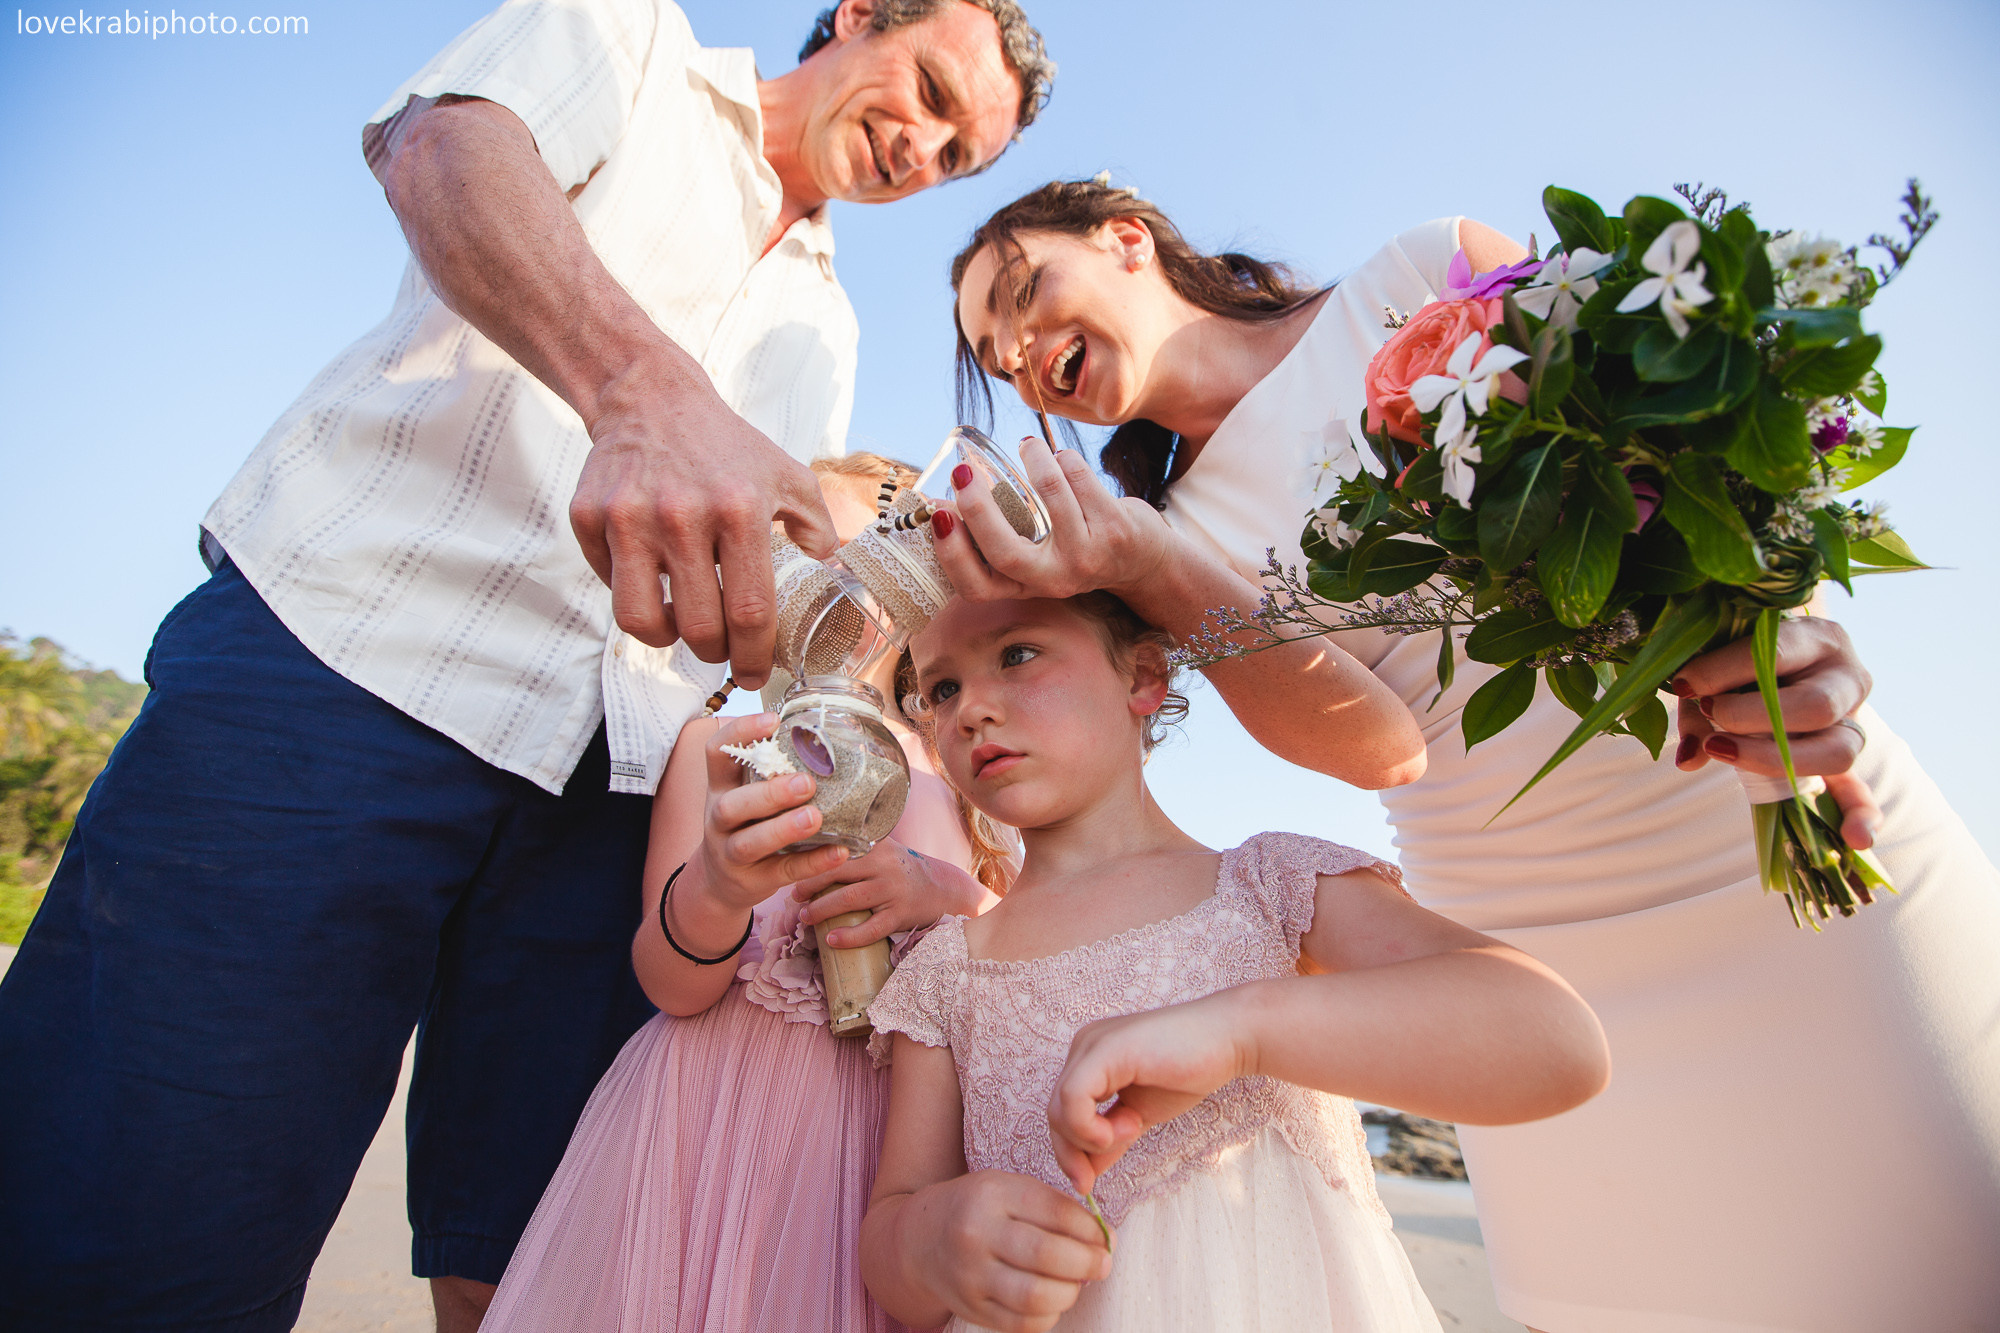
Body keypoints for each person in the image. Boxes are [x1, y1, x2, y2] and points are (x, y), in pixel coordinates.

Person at [0, 4, 1054, 1330]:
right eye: (932, 91)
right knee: (147, 1219)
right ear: (859, 17)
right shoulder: (627, 40)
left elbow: (751, 592)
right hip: (354, 672)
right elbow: (439, 152)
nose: (929, 147)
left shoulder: (826, 329)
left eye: (962, 153)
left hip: (607, 797)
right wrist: (640, 387)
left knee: (537, 1267)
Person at [933, 177, 2000, 1331]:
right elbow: (1379, 750)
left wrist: (1778, 624)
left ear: (1126, 235)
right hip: (1523, 942)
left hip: (1762, 824)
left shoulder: (1416, 274)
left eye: (1025, 293)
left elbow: (1673, 479)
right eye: (996, 356)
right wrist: (1148, 567)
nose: (1023, 351)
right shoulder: (1155, 547)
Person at [856, 589, 1611, 1332]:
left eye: (1017, 654)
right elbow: (890, 1234)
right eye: (941, 688)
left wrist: (1241, 1031)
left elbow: (1560, 1041)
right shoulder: (946, 971)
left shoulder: (1268, 887)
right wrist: (933, 1238)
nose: (970, 709)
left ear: (1144, 675)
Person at [481, 454, 1011, 1332]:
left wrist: (943, 890)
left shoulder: (958, 762)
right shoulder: (718, 749)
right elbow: (672, 983)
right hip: (710, 1120)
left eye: (873, 560)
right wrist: (720, 886)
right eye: (810, 560)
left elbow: (1033, 944)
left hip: (897, 1142)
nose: (842, 592)